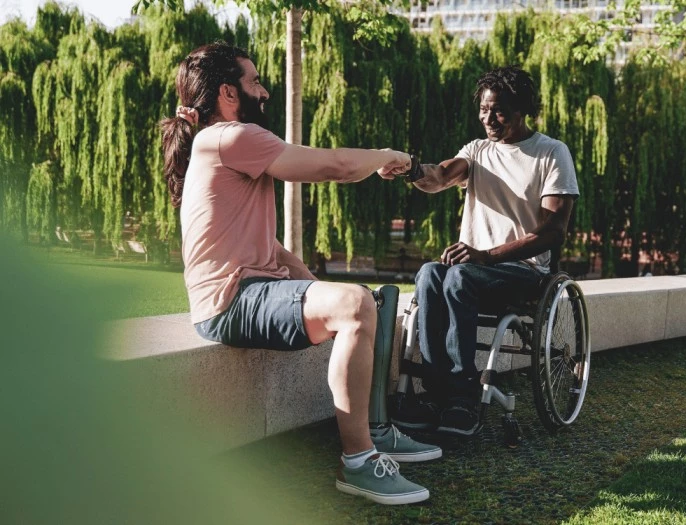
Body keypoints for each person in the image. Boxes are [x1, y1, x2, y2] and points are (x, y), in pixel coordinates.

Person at [160, 41, 439, 505]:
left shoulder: (222, 144)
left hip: (253, 290)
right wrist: (393, 157)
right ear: (228, 92)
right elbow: (334, 166)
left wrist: (309, 282)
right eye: (254, 82)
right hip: (231, 302)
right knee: (354, 305)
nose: (264, 91)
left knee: (376, 299)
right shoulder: (230, 136)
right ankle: (359, 462)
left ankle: (376, 427)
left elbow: (265, 244)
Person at [391, 66, 579, 436]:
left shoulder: (551, 153)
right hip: (474, 272)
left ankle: (463, 395)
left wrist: (485, 256)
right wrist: (411, 169)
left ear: (522, 109)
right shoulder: (477, 151)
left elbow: (553, 232)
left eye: (498, 111)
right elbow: (441, 175)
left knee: (459, 276)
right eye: (482, 110)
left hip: (525, 273)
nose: (488, 119)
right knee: (431, 273)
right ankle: (435, 391)